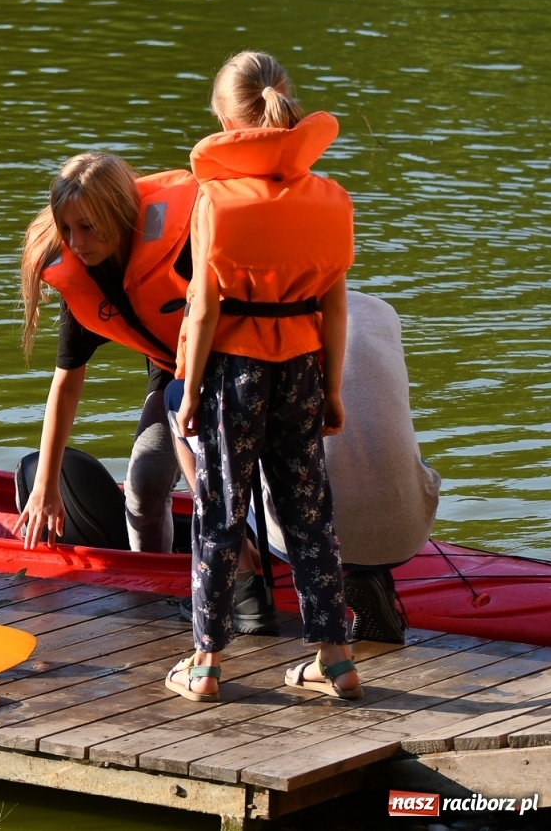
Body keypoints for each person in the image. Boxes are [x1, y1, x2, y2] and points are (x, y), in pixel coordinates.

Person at [166, 50, 361, 703]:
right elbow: (334, 306)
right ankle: (334, 659)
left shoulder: (215, 200)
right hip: (304, 367)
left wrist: (189, 393)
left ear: (226, 119)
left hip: (236, 375)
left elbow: (202, 306)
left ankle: (205, 663)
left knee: (221, 511)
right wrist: (332, 387)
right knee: (308, 511)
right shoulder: (331, 199)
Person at [16, 152, 197, 551]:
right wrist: (46, 485)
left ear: (120, 216)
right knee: (146, 479)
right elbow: (66, 384)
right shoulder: (82, 280)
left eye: (88, 227)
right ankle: (151, 591)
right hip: (173, 372)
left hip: (234, 363)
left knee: (224, 484)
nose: (77, 243)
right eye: (67, 228)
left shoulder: (187, 248)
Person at [257, 289, 440, 643]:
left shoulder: (266, 319)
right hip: (405, 529)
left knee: (224, 451)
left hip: (316, 526)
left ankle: (245, 587)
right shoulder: (381, 310)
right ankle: (371, 576)